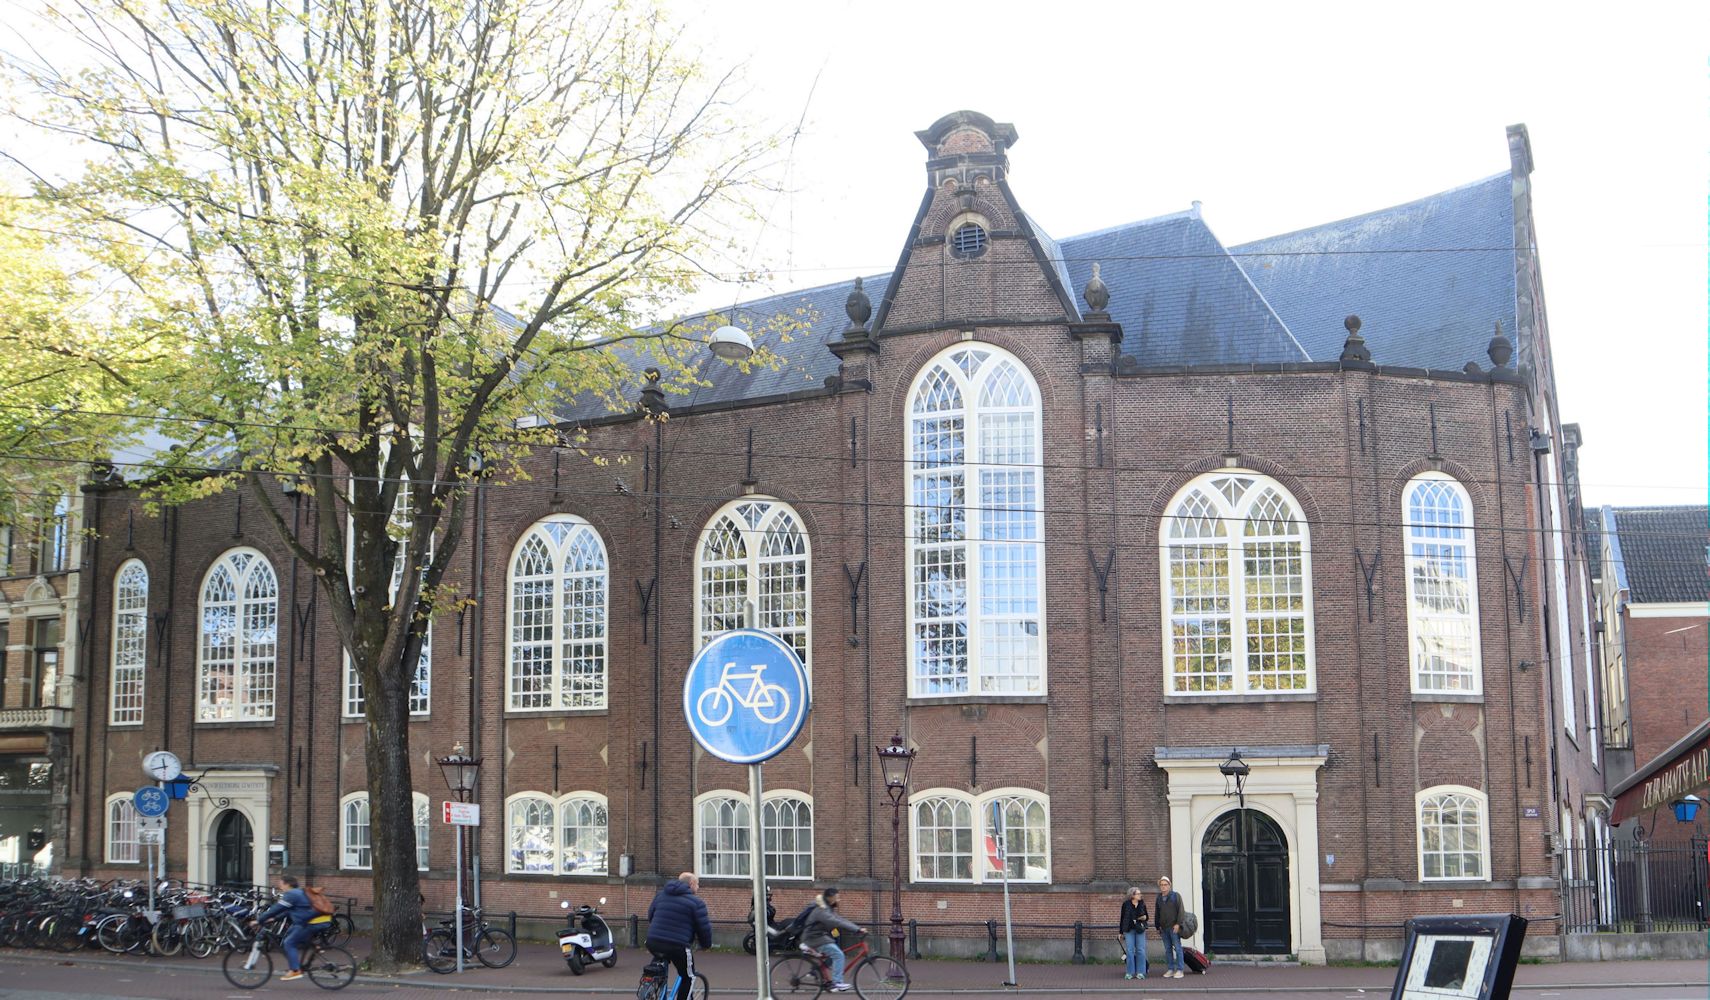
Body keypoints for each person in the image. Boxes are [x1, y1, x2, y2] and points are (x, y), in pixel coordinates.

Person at [250, 873, 331, 982]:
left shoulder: (292, 894)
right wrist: (274, 919)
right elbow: (288, 911)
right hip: (315, 920)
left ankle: (295, 970)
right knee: (290, 933)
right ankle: (314, 946)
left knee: (289, 942)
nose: (280, 887)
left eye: (281, 884)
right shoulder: (299, 892)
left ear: (287, 884)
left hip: (311, 922)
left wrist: (260, 920)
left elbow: (277, 908)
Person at [646, 872, 712, 1000]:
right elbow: (704, 929)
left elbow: (651, 915)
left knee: (655, 969)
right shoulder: (696, 903)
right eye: (698, 884)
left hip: (653, 941)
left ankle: (652, 987)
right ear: (691, 884)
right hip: (677, 946)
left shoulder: (660, 895)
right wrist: (706, 945)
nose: (698, 887)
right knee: (688, 976)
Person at [801, 886, 864, 993]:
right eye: (837, 897)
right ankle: (837, 982)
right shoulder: (822, 910)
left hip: (819, 936)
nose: (839, 900)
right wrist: (857, 930)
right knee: (838, 954)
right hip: (813, 938)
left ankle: (817, 971)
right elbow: (836, 922)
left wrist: (857, 928)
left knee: (834, 950)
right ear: (830, 898)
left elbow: (840, 919)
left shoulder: (827, 908)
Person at [1155, 876, 1185, 979]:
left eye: (1165, 885)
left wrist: (1178, 924)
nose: (1163, 887)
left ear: (1169, 885)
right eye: (1161, 885)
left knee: (1177, 948)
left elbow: (1181, 911)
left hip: (1174, 927)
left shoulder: (1176, 896)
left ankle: (1180, 970)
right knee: (1168, 949)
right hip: (1163, 928)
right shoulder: (1159, 898)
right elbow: (1157, 913)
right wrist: (1157, 926)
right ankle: (1171, 969)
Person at [1118, 886, 1149, 980]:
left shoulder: (1142, 904)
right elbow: (1122, 918)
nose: (1140, 895)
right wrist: (1120, 932)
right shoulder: (1126, 904)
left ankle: (1141, 972)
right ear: (1132, 895)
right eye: (1138, 894)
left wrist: (1143, 918)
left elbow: (1147, 917)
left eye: (1140, 893)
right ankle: (1130, 972)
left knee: (1140, 950)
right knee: (1130, 951)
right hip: (1129, 930)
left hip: (1140, 929)